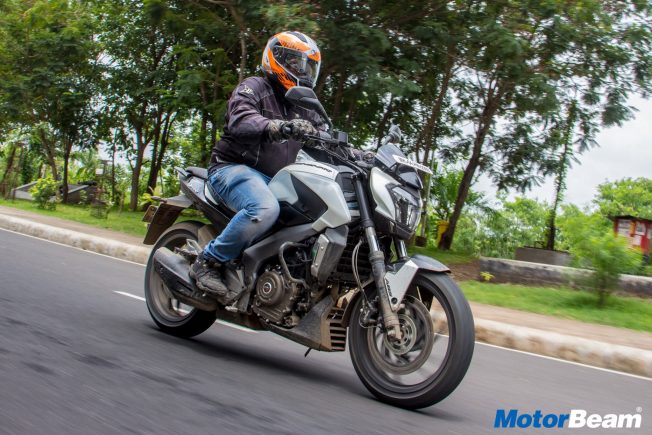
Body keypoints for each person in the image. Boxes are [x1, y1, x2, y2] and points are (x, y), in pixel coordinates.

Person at [190, 31, 325, 302]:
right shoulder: (255, 87)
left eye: (308, 67)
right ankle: (207, 261)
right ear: (277, 59)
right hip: (233, 169)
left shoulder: (306, 107)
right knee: (264, 209)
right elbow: (241, 119)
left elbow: (326, 137)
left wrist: (363, 155)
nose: (303, 72)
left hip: (277, 181)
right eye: (297, 63)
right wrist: (277, 126)